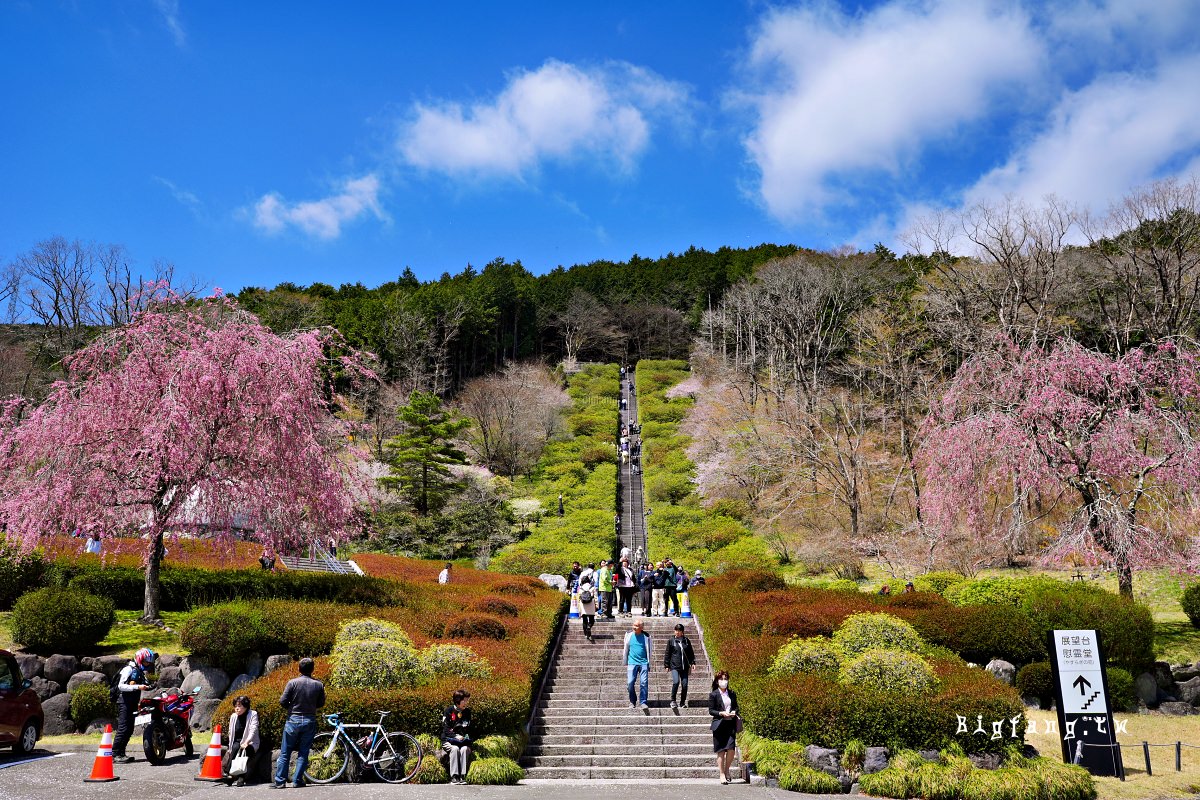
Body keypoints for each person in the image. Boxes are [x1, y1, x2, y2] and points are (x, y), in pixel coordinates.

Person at [274, 657, 326, 789]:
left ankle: (280, 781)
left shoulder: (292, 683)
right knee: (303, 752)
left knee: (285, 751)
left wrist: (292, 707)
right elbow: (321, 703)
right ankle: (297, 780)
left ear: (299, 668)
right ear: (312, 669)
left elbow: (283, 701)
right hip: (309, 720)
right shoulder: (319, 684)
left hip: (293, 719)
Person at [112, 648, 156, 762]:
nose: (148, 664)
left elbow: (143, 683)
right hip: (124, 701)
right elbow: (120, 686)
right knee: (123, 727)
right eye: (146, 661)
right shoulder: (128, 669)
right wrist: (138, 687)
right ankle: (115, 754)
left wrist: (149, 686)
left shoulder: (138, 670)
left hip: (132, 702)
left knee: (130, 728)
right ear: (140, 659)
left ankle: (121, 753)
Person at [708, 671, 741, 784]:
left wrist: (733, 712)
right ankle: (722, 774)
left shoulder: (732, 693)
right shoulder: (713, 695)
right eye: (721, 679)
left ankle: (727, 770)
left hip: (730, 724)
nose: (724, 681)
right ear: (717, 681)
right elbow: (711, 711)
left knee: (731, 749)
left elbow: (736, 707)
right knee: (721, 750)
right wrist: (721, 713)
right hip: (719, 725)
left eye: (725, 678)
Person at [223, 695, 262, 786]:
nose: (237, 708)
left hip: (251, 742)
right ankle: (230, 775)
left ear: (246, 706)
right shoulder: (233, 716)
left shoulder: (253, 714)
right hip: (237, 741)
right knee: (234, 749)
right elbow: (230, 732)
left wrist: (247, 741)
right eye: (235, 706)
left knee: (245, 751)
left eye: (239, 706)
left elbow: (253, 729)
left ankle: (241, 777)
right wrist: (230, 745)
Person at [441, 689, 473, 785]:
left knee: (464, 749)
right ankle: (454, 776)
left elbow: (469, 728)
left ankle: (462, 775)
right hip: (448, 740)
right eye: (465, 700)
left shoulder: (467, 712)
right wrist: (455, 736)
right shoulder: (448, 711)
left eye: (467, 700)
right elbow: (445, 729)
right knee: (454, 749)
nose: (466, 703)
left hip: (463, 741)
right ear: (458, 700)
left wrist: (466, 737)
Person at [664, 623, 696, 710]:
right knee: (676, 682)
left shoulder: (686, 640)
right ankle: (673, 700)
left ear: (682, 632)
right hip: (674, 666)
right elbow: (667, 653)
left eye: (679, 631)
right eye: (676, 630)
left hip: (685, 667)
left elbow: (690, 653)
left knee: (685, 684)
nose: (677, 632)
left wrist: (693, 663)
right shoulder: (671, 640)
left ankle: (682, 702)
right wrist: (666, 665)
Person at [623, 619, 652, 710]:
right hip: (632, 662)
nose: (634, 627)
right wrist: (625, 661)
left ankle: (643, 701)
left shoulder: (646, 637)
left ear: (641, 627)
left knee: (644, 683)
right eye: (634, 625)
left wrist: (648, 663)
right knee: (630, 683)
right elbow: (626, 648)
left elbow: (650, 650)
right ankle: (632, 700)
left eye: (636, 626)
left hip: (643, 663)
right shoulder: (628, 635)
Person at [578, 576, 598, 642]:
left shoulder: (580, 588)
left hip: (583, 605)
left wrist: (579, 608)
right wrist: (596, 605)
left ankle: (586, 634)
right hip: (591, 604)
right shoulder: (592, 587)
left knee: (584, 620)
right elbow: (595, 597)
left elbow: (579, 598)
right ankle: (589, 626)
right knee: (592, 620)